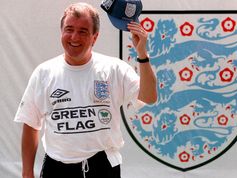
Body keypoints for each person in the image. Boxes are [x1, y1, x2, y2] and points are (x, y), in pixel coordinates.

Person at [14, 2, 157, 178]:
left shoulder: (114, 69)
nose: (74, 37)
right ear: (61, 32)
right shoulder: (44, 73)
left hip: (102, 166)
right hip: (56, 168)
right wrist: (27, 173)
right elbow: (30, 125)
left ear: (94, 37)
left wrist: (142, 54)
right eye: (69, 29)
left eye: (83, 31)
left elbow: (149, 97)